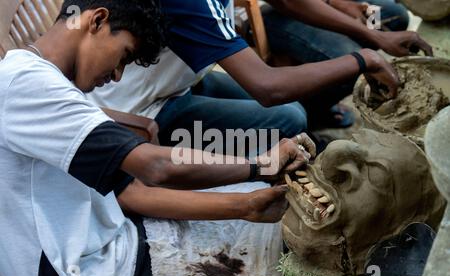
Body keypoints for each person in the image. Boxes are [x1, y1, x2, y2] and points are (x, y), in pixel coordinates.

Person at [0, 0, 315, 276]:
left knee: (273, 235)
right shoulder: (24, 84)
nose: (117, 76)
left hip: (130, 241)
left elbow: (134, 193)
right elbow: (155, 166)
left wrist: (246, 205)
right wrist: (258, 166)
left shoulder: (59, 87)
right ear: (97, 20)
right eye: (124, 56)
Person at [87, 0, 428, 147]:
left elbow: (290, 3)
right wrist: (363, 59)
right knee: (289, 121)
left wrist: (374, 35)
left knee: (294, 116)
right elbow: (267, 87)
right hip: (142, 114)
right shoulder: (191, 4)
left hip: (183, 83)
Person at [262, 0, 432, 126]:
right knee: (350, 65)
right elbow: (290, 3)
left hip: (322, 4)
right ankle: (311, 114)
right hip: (284, 12)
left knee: (393, 17)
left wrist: (339, 3)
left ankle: (351, 42)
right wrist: (375, 36)